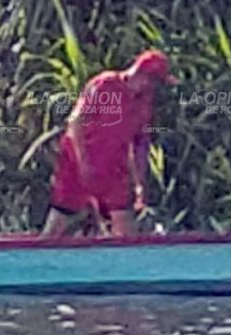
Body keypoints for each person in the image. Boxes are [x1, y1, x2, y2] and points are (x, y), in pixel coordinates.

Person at [42, 50, 178, 237]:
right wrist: (83, 164)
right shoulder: (105, 85)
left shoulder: (144, 101)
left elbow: (140, 143)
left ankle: (123, 262)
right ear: (143, 75)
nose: (154, 87)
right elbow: (76, 122)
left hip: (114, 165)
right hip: (79, 162)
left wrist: (140, 183)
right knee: (59, 221)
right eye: (154, 81)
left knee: (126, 228)